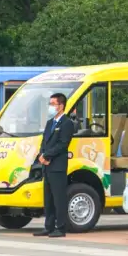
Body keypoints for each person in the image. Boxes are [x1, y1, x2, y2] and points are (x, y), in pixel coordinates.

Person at [35, 93, 75, 238]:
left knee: (59, 198)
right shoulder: (50, 122)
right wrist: (41, 155)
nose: (51, 107)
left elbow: (63, 144)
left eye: (53, 104)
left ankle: (61, 227)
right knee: (49, 198)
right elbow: (44, 142)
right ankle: (49, 226)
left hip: (57, 166)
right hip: (47, 165)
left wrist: (47, 156)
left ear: (61, 106)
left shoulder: (67, 123)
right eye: (50, 104)